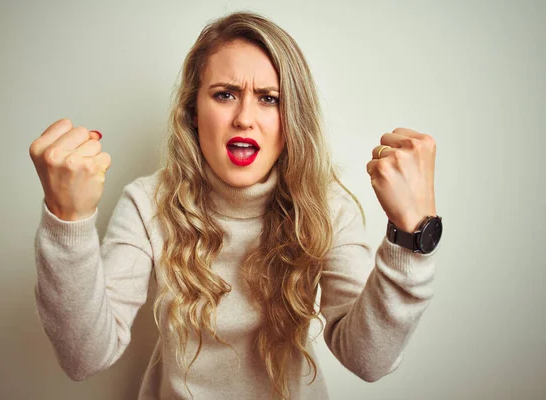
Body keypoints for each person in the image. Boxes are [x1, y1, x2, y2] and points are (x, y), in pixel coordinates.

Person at [29, 11, 443, 400]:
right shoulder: (147, 203)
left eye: (269, 99)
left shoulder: (328, 207)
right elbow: (85, 357)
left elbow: (369, 360)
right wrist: (69, 221)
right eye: (225, 94)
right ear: (193, 111)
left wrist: (410, 237)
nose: (245, 118)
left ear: (292, 117)